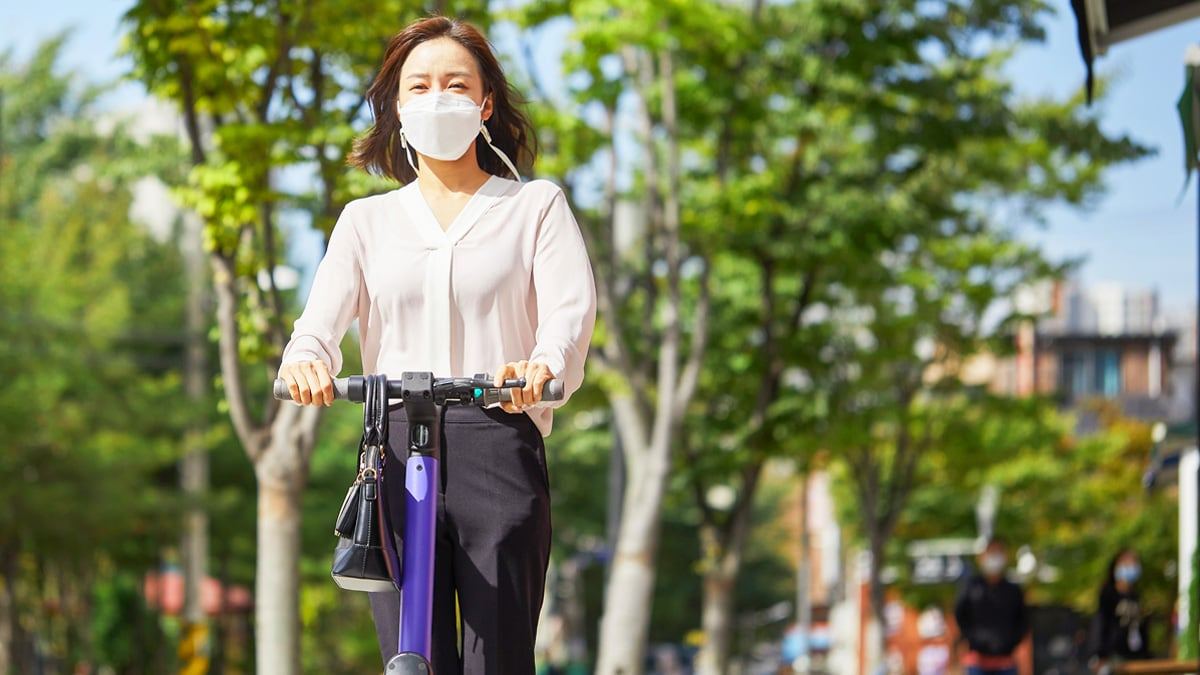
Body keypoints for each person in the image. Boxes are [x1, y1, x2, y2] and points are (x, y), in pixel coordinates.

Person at [277, 15, 597, 673]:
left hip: (498, 438)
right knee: (409, 653)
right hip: (393, 441)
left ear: (484, 102)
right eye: (419, 86)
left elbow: (569, 314)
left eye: (455, 84)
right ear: (397, 105)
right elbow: (317, 324)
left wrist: (543, 364)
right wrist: (307, 359)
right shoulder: (366, 222)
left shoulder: (534, 207)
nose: (436, 98)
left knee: (498, 658)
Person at [953, 537, 1029, 675]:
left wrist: (1011, 642)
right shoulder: (971, 587)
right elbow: (960, 616)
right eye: (991, 552)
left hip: (1006, 662)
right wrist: (973, 638)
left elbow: (1023, 620)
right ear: (981, 557)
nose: (994, 557)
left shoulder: (1013, 590)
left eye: (998, 552)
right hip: (977, 661)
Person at [1090, 549, 1151, 673]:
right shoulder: (1108, 594)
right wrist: (1100, 653)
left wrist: (1146, 654)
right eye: (1127, 564)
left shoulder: (1136, 597)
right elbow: (1101, 622)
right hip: (1113, 655)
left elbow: (1141, 628)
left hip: (1135, 655)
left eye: (1134, 564)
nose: (1132, 568)